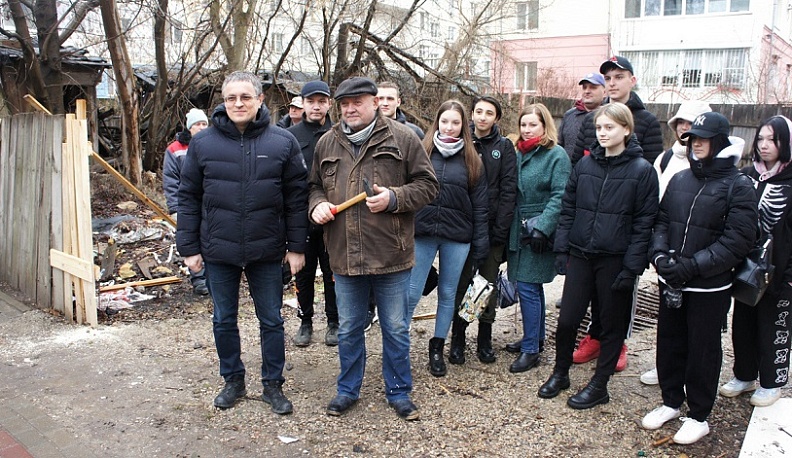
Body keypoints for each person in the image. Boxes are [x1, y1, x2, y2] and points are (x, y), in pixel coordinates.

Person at [176, 71, 308, 415]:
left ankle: (272, 385)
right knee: (223, 319)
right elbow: (188, 197)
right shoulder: (203, 144)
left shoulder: (282, 142)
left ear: (260, 100)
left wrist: (296, 247)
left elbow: (296, 199)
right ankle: (233, 380)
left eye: (245, 97)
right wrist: (188, 248)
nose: (238, 103)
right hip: (219, 249)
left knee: (272, 321)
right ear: (223, 100)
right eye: (231, 97)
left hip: (267, 250)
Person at [308, 76, 438, 421]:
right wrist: (317, 205)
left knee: (395, 327)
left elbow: (428, 186)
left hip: (391, 254)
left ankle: (398, 390)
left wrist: (395, 198)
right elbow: (314, 187)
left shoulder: (403, 138)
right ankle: (348, 389)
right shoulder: (326, 143)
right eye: (345, 104)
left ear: (375, 102)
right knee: (349, 326)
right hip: (344, 254)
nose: (351, 109)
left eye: (358, 103)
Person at [641, 111, 758, 444]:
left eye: (704, 138)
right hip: (672, 280)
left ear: (720, 141)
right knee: (669, 343)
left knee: (702, 349)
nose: (696, 144)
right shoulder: (680, 179)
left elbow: (737, 239)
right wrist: (660, 255)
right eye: (693, 138)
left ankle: (699, 414)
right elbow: (661, 222)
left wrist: (693, 265)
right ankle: (671, 401)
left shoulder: (738, 185)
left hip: (709, 285)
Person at [539, 103, 658, 410]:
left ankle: (599, 384)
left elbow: (645, 223)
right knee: (567, 322)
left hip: (614, 260)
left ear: (626, 130)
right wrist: (562, 248)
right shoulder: (585, 165)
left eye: (610, 128)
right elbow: (569, 208)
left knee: (610, 325)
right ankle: (560, 371)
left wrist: (632, 268)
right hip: (581, 254)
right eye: (600, 128)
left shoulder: (642, 171)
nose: (603, 133)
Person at [570, 56, 664, 371]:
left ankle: (616, 340)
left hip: (622, 223)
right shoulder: (591, 119)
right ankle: (595, 336)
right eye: (607, 77)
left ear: (632, 80)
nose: (612, 82)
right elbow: (578, 162)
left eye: (619, 76)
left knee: (620, 291)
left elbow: (649, 172)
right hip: (591, 219)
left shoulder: (647, 122)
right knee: (590, 288)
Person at [406, 100, 489, 377]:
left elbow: (480, 205)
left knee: (448, 293)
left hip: (457, 237)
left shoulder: (472, 159)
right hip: (424, 232)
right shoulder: (423, 151)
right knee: (412, 291)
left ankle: (437, 348)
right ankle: (399, 345)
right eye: (445, 121)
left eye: (456, 122)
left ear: (464, 126)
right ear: (437, 123)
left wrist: (480, 243)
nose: (450, 127)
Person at [719, 115, 792, 407]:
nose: (764, 145)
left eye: (772, 139)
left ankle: (772, 381)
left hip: (781, 270)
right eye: (760, 138)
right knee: (743, 321)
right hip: (746, 267)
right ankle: (744, 374)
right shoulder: (747, 175)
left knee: (774, 324)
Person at [640, 100, 712, 386]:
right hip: (668, 247)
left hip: (699, 255)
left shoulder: (717, 170)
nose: (685, 128)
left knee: (699, 323)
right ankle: (666, 367)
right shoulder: (665, 159)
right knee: (668, 315)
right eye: (681, 123)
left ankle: (691, 373)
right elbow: (656, 202)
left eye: (691, 123)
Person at [450, 96, 517, 365]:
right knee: (461, 284)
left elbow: (508, 189)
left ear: (496, 118)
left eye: (489, 113)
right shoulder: (462, 143)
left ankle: (484, 339)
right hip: (463, 228)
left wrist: (500, 229)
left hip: (492, 230)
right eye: (478, 111)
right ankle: (458, 339)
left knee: (486, 285)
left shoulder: (504, 147)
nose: (482, 117)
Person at [506, 104, 571, 373]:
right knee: (528, 287)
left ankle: (531, 350)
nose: (527, 129)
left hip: (537, 230)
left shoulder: (556, 155)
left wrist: (542, 228)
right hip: (516, 228)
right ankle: (536, 338)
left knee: (529, 287)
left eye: (533, 124)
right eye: (523, 124)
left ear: (545, 126)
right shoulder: (518, 152)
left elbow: (560, 195)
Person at [288, 81, 339, 347]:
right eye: (311, 101)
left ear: (329, 103)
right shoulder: (290, 136)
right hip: (301, 218)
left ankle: (334, 321)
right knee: (304, 275)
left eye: (322, 101)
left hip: (334, 216)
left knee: (333, 273)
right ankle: (305, 321)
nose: (316, 106)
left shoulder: (338, 133)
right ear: (303, 103)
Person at [163, 108, 210, 295]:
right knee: (192, 241)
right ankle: (199, 279)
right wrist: (174, 207)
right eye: (197, 124)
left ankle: (213, 278)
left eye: (204, 124)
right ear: (189, 127)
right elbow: (170, 180)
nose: (201, 127)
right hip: (187, 204)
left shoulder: (213, 146)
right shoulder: (175, 150)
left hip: (209, 203)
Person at [557, 73, 606, 161]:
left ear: (604, 92)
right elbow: (559, 146)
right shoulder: (569, 115)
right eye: (584, 87)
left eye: (593, 87)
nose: (587, 91)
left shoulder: (610, 117)